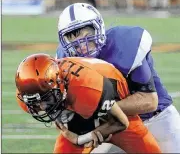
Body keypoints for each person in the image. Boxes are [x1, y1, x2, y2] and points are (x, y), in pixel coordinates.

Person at [56, 3, 180, 152]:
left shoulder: (123, 44)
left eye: (87, 36)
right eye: (72, 38)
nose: (83, 45)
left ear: (99, 27)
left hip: (155, 118)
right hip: (110, 124)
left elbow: (149, 101)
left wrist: (96, 110)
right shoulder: (65, 61)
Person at [15, 53, 161, 153]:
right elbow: (51, 108)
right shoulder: (29, 92)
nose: (41, 106)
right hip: (77, 109)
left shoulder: (86, 87)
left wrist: (80, 139)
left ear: (59, 84)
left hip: (113, 108)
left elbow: (121, 122)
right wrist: (64, 127)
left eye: (45, 99)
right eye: (36, 102)